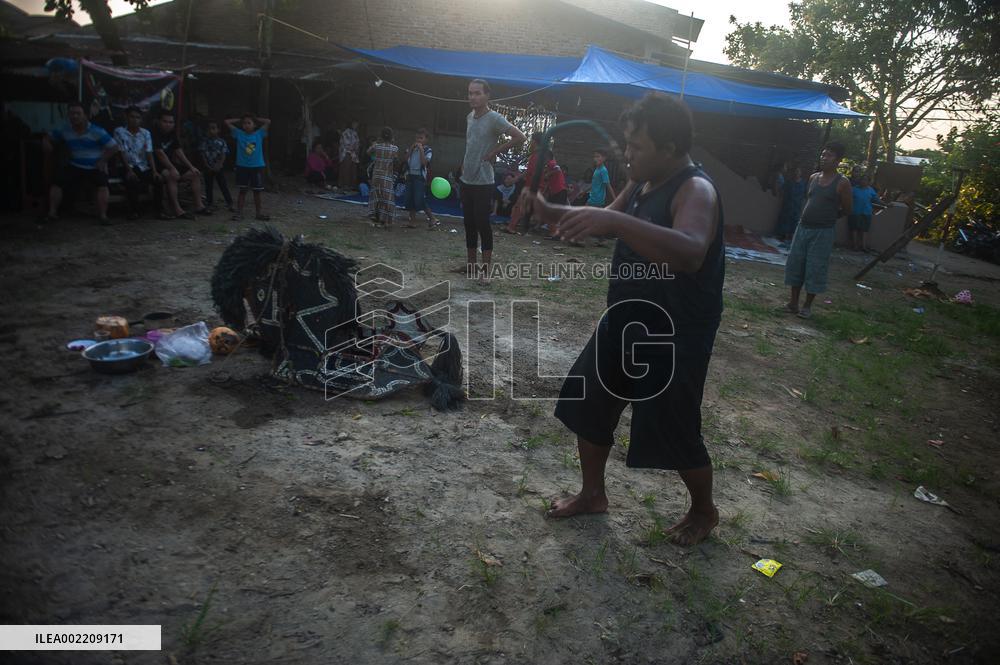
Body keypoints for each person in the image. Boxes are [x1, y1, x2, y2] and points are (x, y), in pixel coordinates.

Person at [525, 93, 725, 547]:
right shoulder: (641, 183)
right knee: (590, 403)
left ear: (670, 147)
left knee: (673, 424)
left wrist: (613, 224)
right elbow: (605, 219)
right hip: (625, 316)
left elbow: (691, 251)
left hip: (674, 331)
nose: (627, 154)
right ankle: (592, 494)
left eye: (636, 146)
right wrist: (552, 211)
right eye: (626, 144)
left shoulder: (696, 189)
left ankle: (703, 510)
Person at [461, 78, 526, 278]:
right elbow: (471, 145)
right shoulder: (470, 117)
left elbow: (520, 137)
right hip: (466, 179)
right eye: (470, 93)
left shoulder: (494, 118)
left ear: (487, 95)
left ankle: (486, 270)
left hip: (484, 181)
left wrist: (494, 152)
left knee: (482, 224)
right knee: (468, 224)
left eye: (477, 93)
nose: (473, 97)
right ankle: (471, 266)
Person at [782, 142, 852, 318]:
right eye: (823, 154)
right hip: (803, 227)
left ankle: (807, 307)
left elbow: (847, 209)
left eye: (829, 155)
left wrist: (828, 217)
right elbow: (810, 199)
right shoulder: (813, 177)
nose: (824, 158)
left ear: (838, 160)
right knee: (796, 263)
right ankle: (793, 303)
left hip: (823, 232)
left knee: (815, 267)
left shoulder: (842, 183)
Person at [43, 100, 119, 224]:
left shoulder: (97, 131)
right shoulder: (65, 129)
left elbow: (114, 147)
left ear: (86, 116)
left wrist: (102, 160)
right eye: (72, 113)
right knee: (57, 181)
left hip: (94, 166)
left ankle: (103, 216)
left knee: (102, 184)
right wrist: (46, 142)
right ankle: (52, 213)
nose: (74, 116)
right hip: (75, 165)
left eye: (78, 113)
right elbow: (48, 136)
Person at [151, 109, 210, 220]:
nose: (168, 124)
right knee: (171, 175)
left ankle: (199, 206)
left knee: (195, 174)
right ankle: (177, 209)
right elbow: (159, 154)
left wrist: (190, 166)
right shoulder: (153, 134)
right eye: (165, 121)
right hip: (156, 165)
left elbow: (178, 151)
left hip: (170, 163)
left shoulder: (172, 134)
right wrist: (172, 168)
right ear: (158, 121)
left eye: (171, 122)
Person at [505, 132, 561, 235]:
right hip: (535, 186)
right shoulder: (543, 154)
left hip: (534, 186)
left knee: (522, 207)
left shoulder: (539, 155)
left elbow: (530, 171)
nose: (531, 143)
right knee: (534, 209)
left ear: (535, 142)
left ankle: (555, 231)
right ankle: (511, 227)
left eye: (532, 141)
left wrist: (516, 179)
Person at [113, 105, 158, 220]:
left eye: (137, 117)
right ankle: (134, 211)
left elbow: (149, 153)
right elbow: (121, 152)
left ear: (141, 119)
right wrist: (129, 170)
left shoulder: (146, 133)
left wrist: (154, 171)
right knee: (131, 179)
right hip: (125, 166)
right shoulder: (119, 131)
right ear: (126, 117)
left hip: (142, 166)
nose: (135, 119)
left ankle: (159, 210)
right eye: (132, 117)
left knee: (158, 179)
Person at [224, 113, 271, 221]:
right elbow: (227, 122)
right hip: (242, 166)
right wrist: (240, 118)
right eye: (244, 123)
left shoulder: (259, 134)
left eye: (249, 123)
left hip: (257, 166)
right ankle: (239, 213)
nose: (246, 125)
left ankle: (258, 213)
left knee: (257, 191)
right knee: (242, 190)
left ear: (254, 125)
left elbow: (268, 121)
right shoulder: (238, 133)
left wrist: (255, 118)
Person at [401, 128, 436, 228]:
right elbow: (405, 159)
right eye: (417, 138)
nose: (418, 140)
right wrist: (411, 149)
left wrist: (421, 149)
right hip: (410, 175)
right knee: (410, 198)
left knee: (419, 199)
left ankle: (432, 218)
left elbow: (425, 162)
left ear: (426, 140)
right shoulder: (410, 148)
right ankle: (412, 221)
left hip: (419, 177)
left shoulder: (428, 150)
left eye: (421, 138)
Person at [199, 120, 234, 212]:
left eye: (214, 128)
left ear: (218, 130)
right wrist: (207, 165)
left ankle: (230, 203)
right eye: (209, 129)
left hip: (219, 168)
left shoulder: (222, 142)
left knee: (223, 185)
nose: (211, 131)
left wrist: (219, 165)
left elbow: (223, 154)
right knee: (208, 186)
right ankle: (210, 203)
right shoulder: (204, 141)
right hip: (208, 168)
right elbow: (202, 154)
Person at [367, 126, 398, 228]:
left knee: (377, 196)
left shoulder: (377, 146)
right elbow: (396, 161)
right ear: (391, 137)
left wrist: (376, 143)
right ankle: (386, 219)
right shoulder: (394, 148)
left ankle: (375, 215)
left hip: (376, 175)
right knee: (387, 198)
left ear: (381, 136)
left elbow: (368, 152)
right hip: (387, 176)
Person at [848, 174, 882, 252]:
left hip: (866, 212)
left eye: (866, 180)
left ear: (868, 182)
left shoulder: (871, 190)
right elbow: (847, 198)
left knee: (864, 230)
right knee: (854, 229)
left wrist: (886, 204)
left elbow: (877, 200)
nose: (863, 181)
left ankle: (863, 246)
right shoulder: (853, 189)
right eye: (862, 179)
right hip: (855, 212)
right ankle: (855, 246)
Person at [774, 165, 805, 243]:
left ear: (801, 173)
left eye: (798, 171)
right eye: (795, 171)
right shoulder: (789, 182)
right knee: (785, 219)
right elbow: (782, 190)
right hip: (788, 205)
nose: (796, 173)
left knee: (794, 221)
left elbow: (806, 194)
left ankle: (791, 236)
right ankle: (782, 235)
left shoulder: (803, 184)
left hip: (797, 206)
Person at [338, 119, 360, 191]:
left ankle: (351, 185)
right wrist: (354, 148)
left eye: (357, 124)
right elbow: (347, 144)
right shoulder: (346, 132)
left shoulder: (355, 133)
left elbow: (357, 144)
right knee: (346, 169)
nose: (356, 125)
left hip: (353, 154)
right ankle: (345, 184)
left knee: (353, 170)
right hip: (346, 153)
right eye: (354, 123)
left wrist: (356, 149)